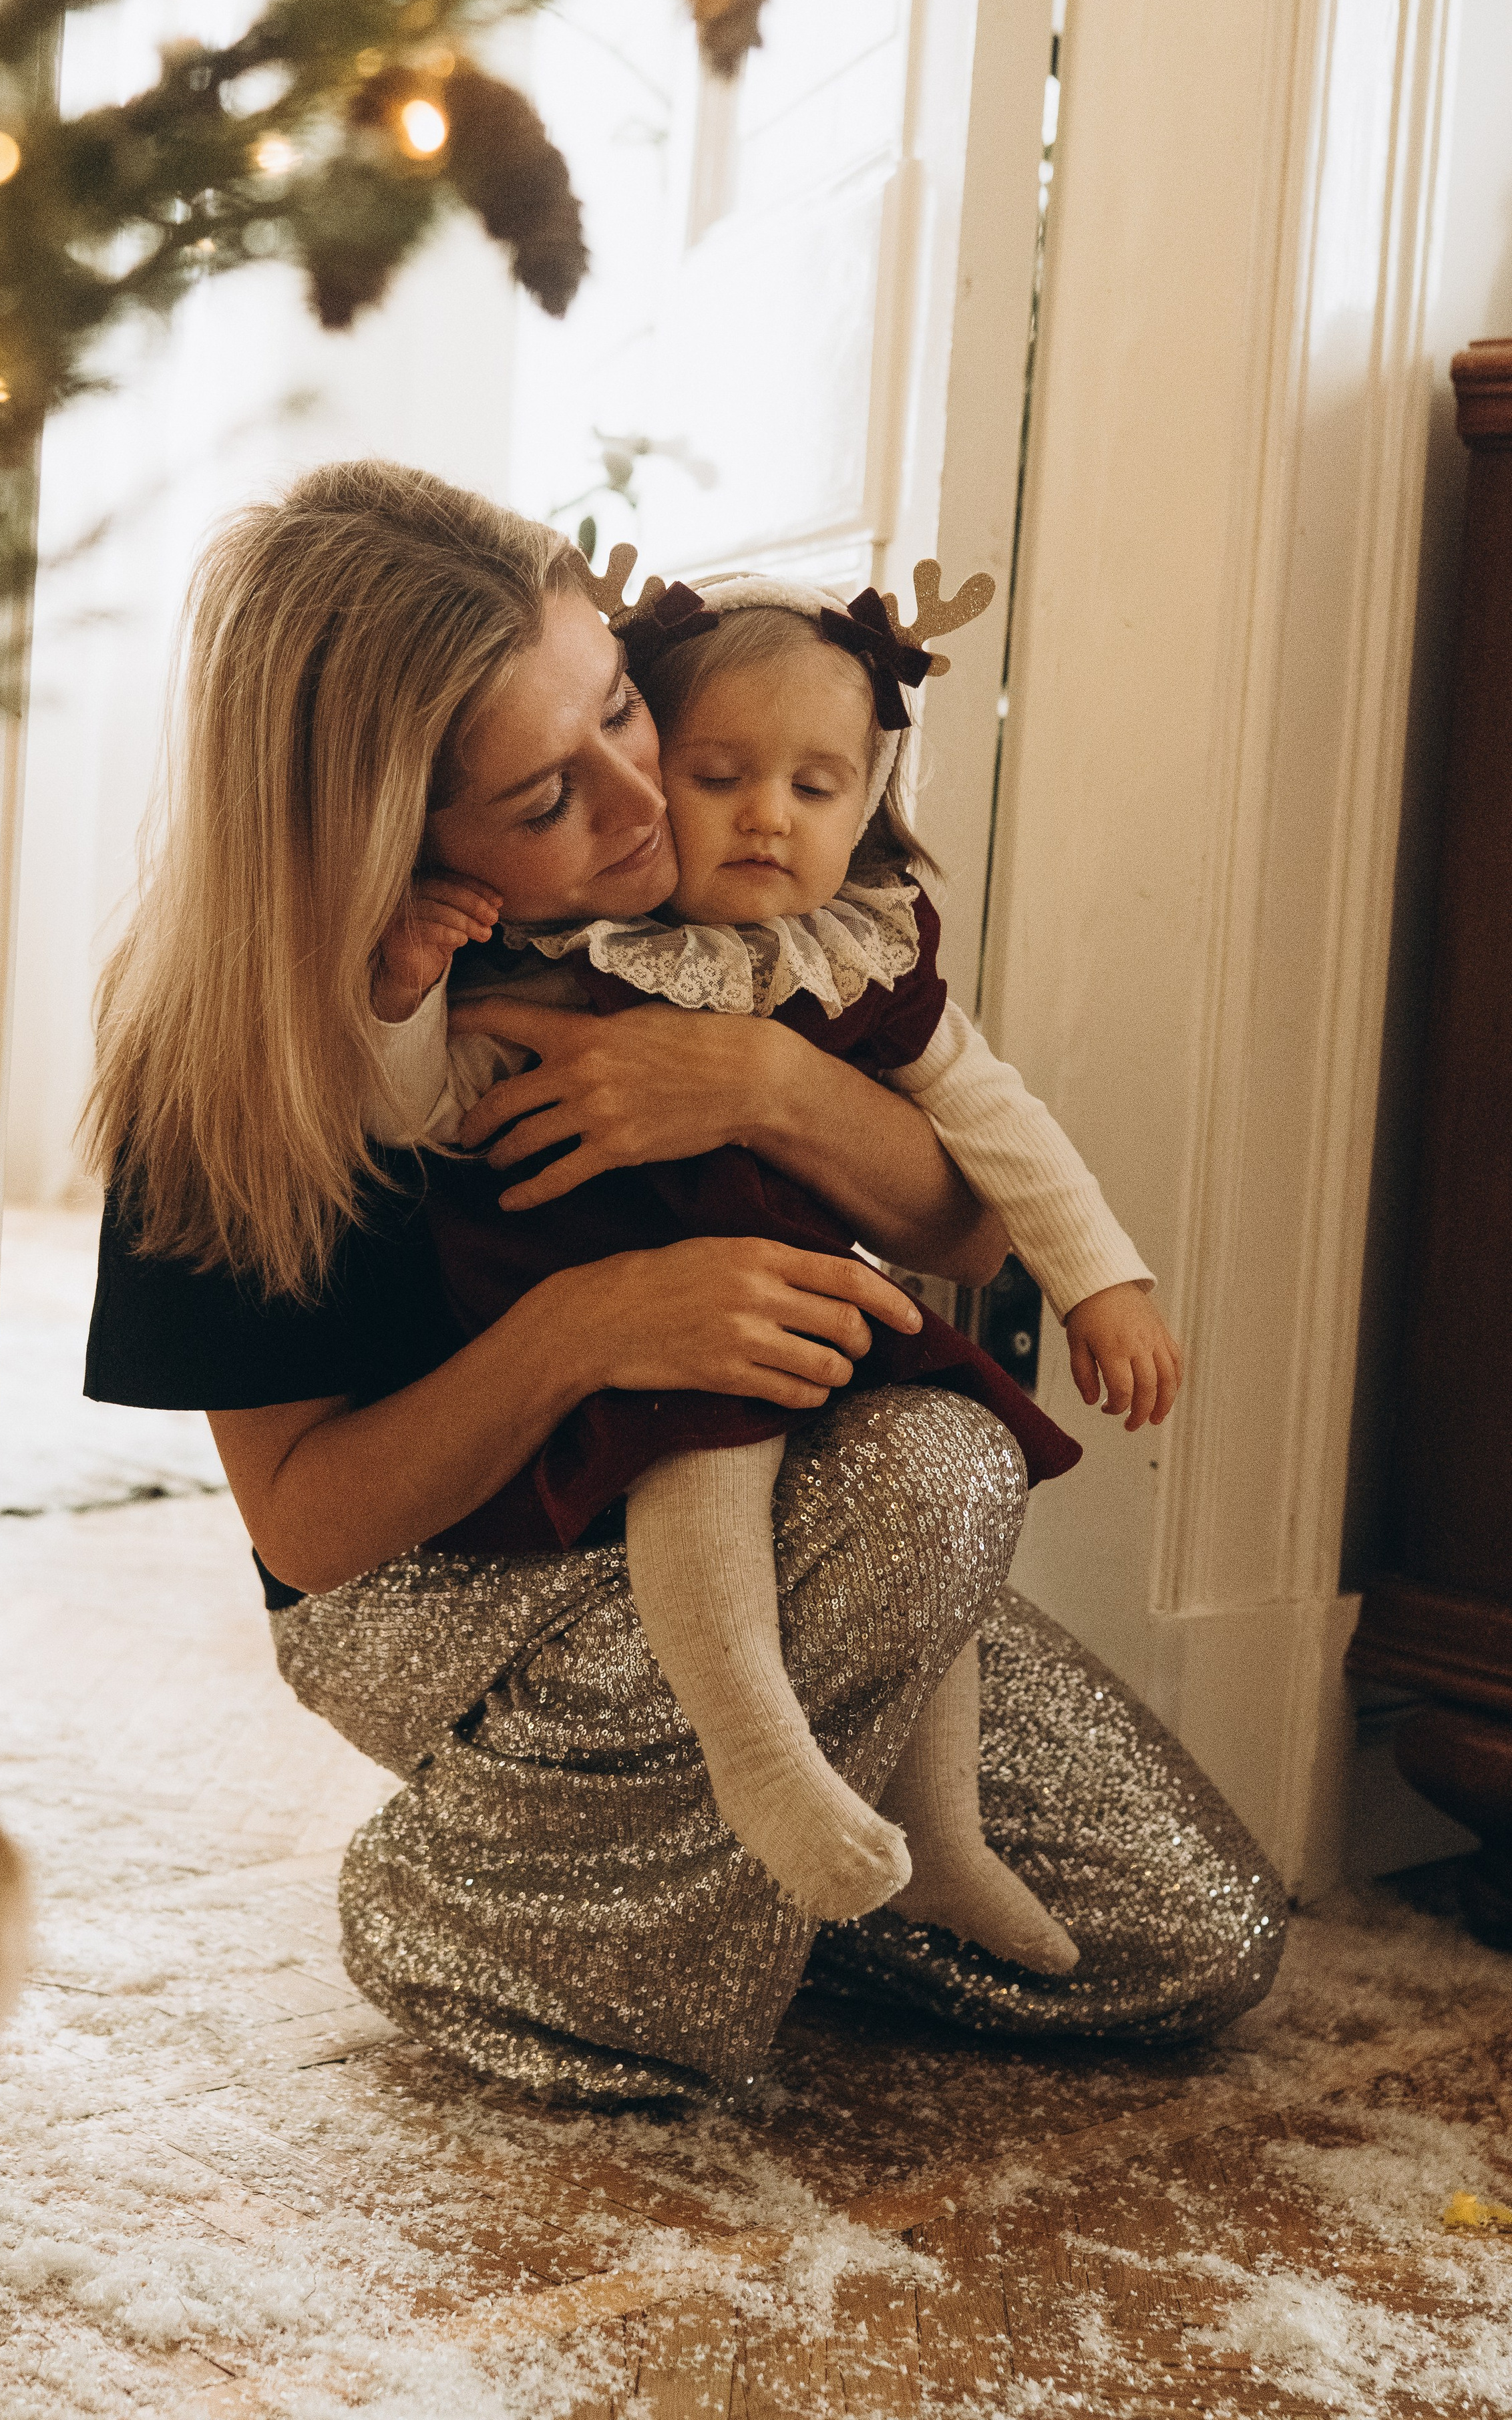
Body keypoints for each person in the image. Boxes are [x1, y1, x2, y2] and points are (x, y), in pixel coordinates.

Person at [82, 458, 1284, 2104]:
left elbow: (970, 1233)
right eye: (542, 801)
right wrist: (592, 1327)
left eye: (619, 718)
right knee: (920, 1472)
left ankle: (705, 1869)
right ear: (389, 837)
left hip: (783, 1513)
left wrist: (758, 1085)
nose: (642, 805)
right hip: (447, 1576)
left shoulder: (745, 935)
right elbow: (309, 1530)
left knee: (1190, 1942)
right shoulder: (256, 1060)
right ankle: (475, 1916)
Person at [363, 567, 1180, 1966]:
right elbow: (419, 1117)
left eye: (814, 788)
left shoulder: (854, 957)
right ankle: (759, 1762)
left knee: (953, 1471)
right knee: (710, 1446)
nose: (762, 816)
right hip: (629, 1328)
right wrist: (401, 1002)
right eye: (717, 774)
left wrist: (1099, 1280)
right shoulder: (572, 948)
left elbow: (993, 1123)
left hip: (801, 1300)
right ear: (647, 771)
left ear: (868, 803)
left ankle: (943, 1843)